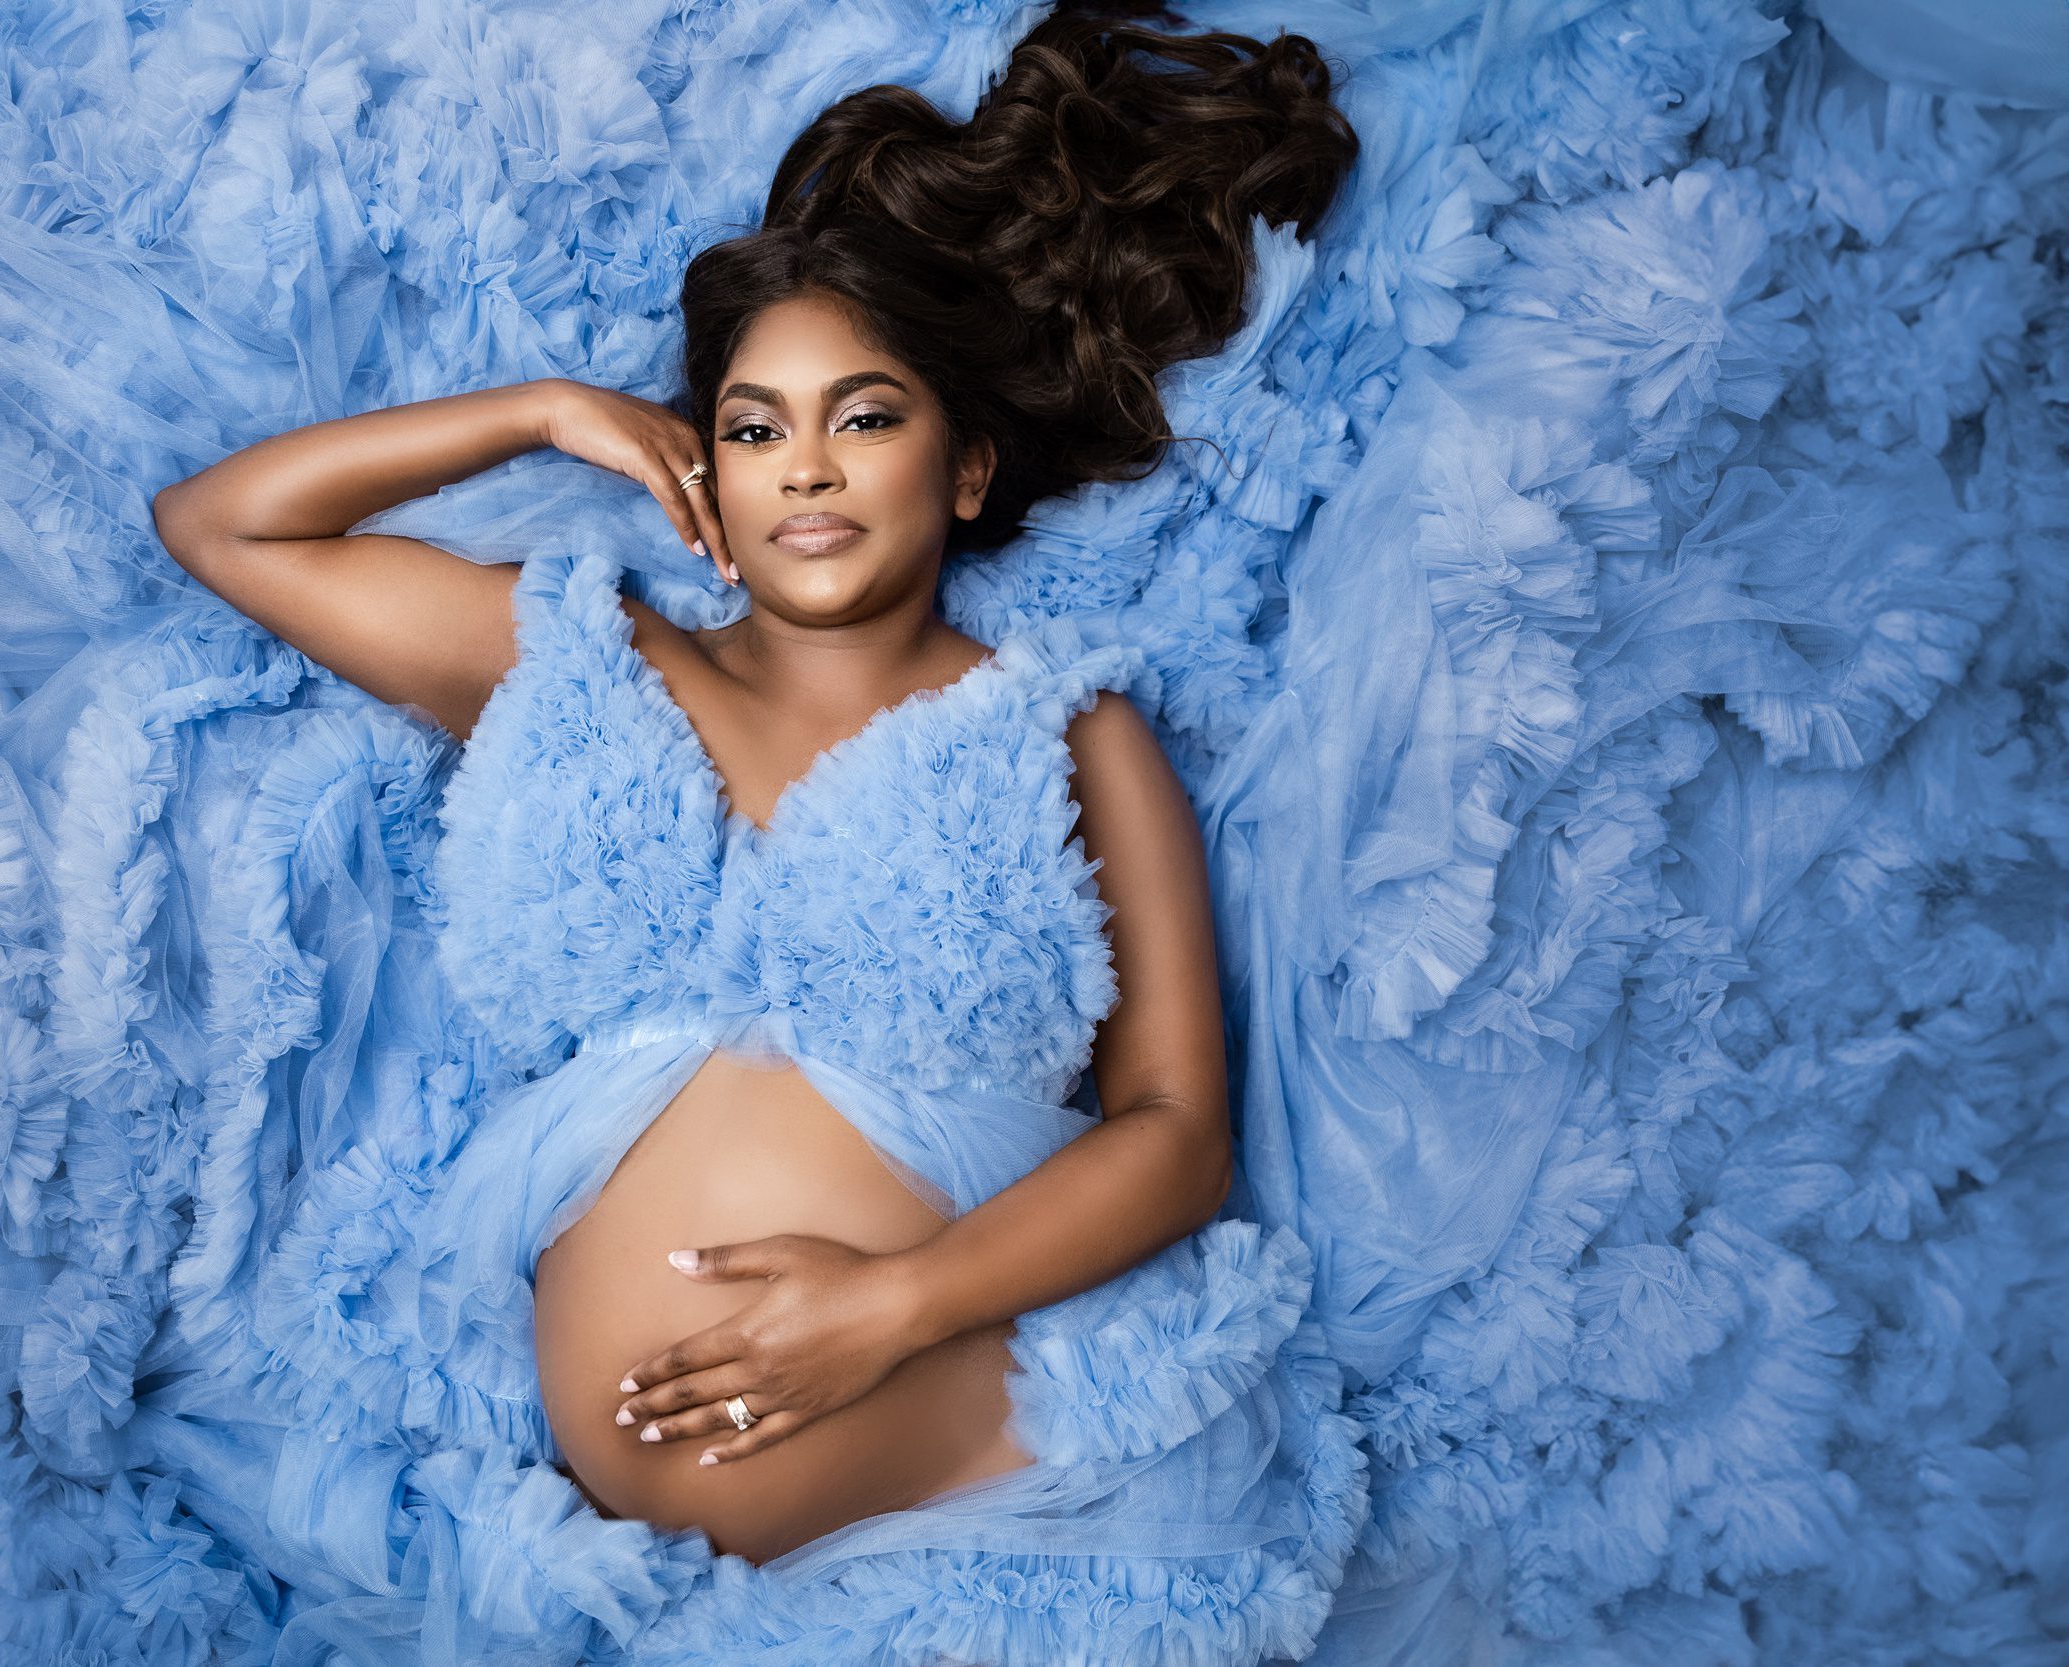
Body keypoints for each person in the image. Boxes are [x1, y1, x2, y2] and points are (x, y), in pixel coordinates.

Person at [152, 4, 1369, 1659]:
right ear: (704, 476)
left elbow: (1174, 1131)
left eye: (865, 417)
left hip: (1005, 1514)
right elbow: (220, 524)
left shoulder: (1068, 727)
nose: (807, 468)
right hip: (557, 1558)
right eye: (753, 424)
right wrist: (540, 413)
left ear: (964, 470)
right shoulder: (569, 656)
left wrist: (888, 1310)